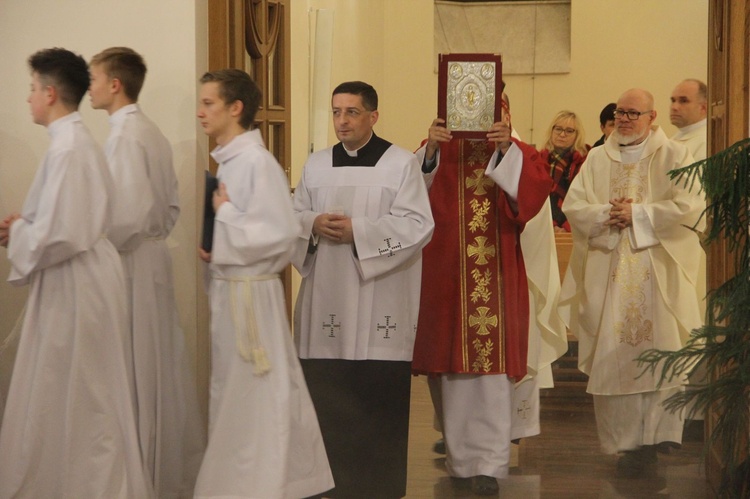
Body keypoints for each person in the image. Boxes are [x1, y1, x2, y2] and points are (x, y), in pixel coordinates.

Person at [0, 47, 153, 498]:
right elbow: (62, 220)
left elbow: (63, 232)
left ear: (50, 94)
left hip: (76, 280)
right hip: (77, 275)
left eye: (31, 89)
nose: (27, 98)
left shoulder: (70, 147)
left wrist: (24, 231)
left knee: (84, 394)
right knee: (66, 388)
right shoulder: (73, 141)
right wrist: (26, 226)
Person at [193, 69, 333, 498]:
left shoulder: (257, 163)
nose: (200, 112)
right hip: (234, 292)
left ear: (236, 108)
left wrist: (228, 216)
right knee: (237, 397)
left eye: (209, 103)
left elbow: (279, 234)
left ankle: (258, 485)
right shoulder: (230, 160)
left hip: (252, 299)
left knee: (256, 397)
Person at [292, 80, 434, 498]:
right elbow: (293, 215)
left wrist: (360, 232)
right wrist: (311, 225)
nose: (342, 121)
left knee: (377, 400)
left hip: (380, 303)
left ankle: (379, 487)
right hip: (326, 300)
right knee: (326, 399)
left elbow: (418, 225)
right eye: (336, 112)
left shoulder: (400, 164)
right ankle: (325, 486)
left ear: (373, 115)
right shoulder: (315, 165)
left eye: (351, 112)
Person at [411, 88, 552, 494]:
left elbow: (532, 196)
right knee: (452, 372)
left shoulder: (516, 151)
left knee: (490, 376)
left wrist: (507, 150)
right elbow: (407, 196)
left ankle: (490, 465)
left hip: (496, 275)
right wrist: (431, 155)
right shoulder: (435, 147)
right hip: (448, 275)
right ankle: (460, 461)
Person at [559, 88, 705, 478]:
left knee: (661, 349)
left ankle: (661, 434)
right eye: (620, 112)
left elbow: (691, 205)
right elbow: (572, 205)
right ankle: (625, 445)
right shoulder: (596, 158)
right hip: (610, 271)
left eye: (633, 113)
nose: (624, 119)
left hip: (657, 270)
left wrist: (639, 214)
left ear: (651, 117)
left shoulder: (673, 154)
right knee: (616, 358)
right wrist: (608, 215)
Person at [88, 46, 206, 496]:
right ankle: (154, 470)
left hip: (130, 263)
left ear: (115, 84)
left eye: (94, 79)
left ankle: (137, 476)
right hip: (150, 257)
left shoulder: (125, 136)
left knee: (134, 368)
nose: (90, 88)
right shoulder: (150, 132)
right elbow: (169, 207)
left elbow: (126, 217)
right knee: (156, 366)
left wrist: (84, 237)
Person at [539, 110, 590, 232]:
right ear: (551, 131)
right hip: (543, 225)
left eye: (569, 131)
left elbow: (583, 199)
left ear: (577, 135)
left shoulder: (585, 161)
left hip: (573, 227)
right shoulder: (540, 159)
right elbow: (536, 198)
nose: (562, 134)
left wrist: (567, 227)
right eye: (558, 129)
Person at [670, 79, 707, 161]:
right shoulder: (677, 137)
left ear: (703, 108)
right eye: (673, 100)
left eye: (683, 101)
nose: (674, 107)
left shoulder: (706, 142)